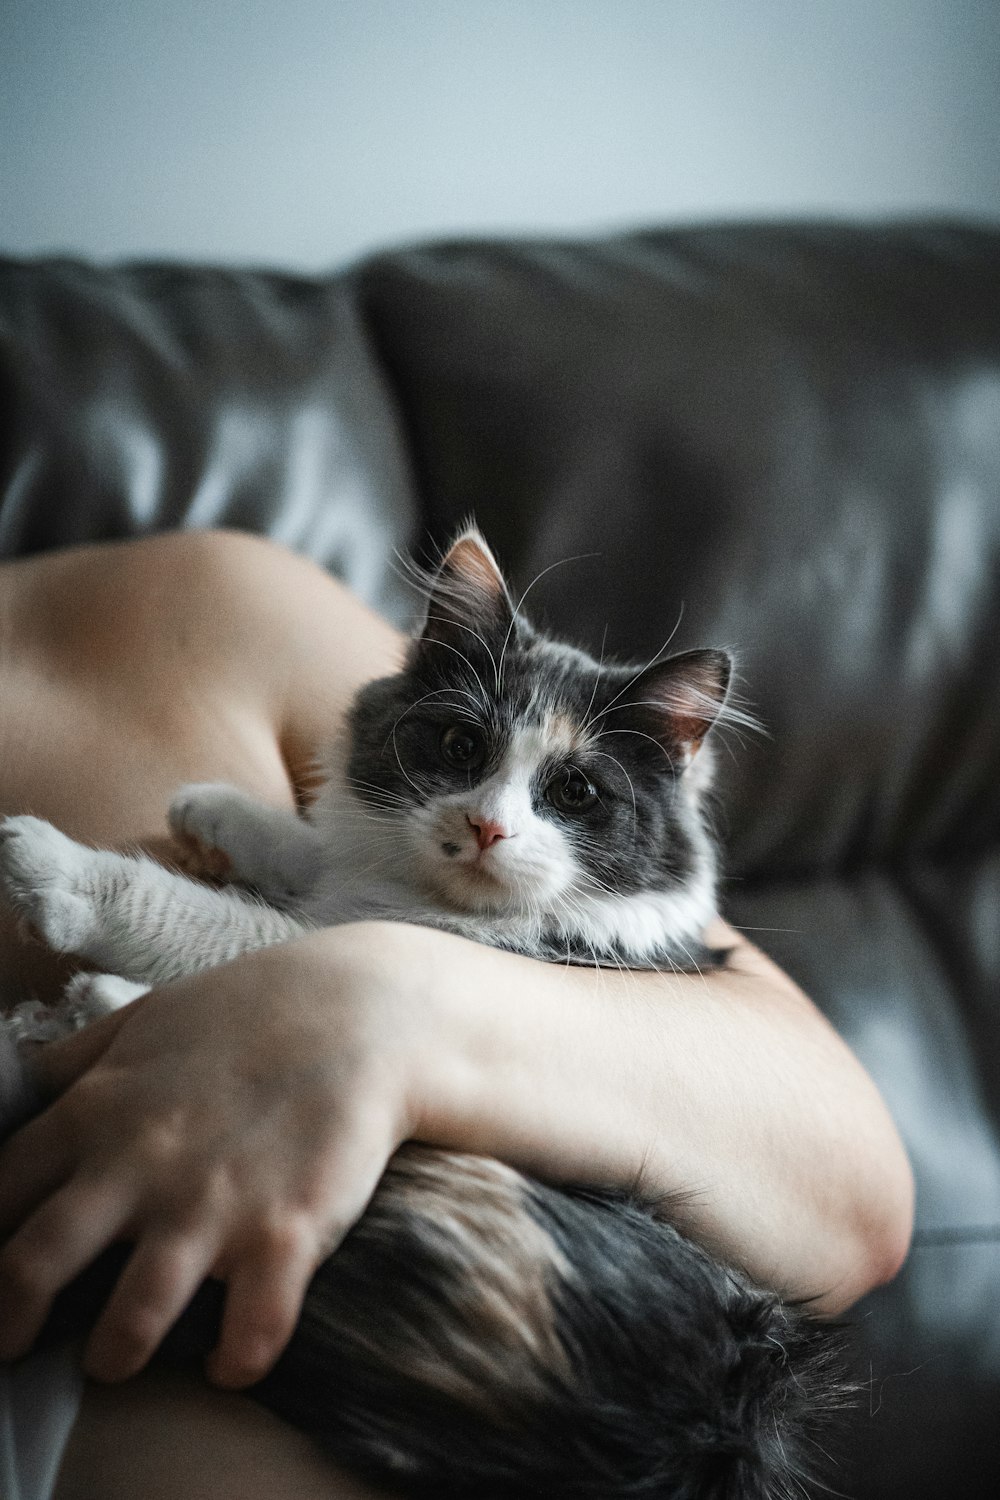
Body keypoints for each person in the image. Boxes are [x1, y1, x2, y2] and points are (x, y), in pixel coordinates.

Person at [0, 529, 914, 1500]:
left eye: (567, 789)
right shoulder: (409, 760)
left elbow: (855, 1192)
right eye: (467, 750)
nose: (492, 816)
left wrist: (383, 999)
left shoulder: (223, 606)